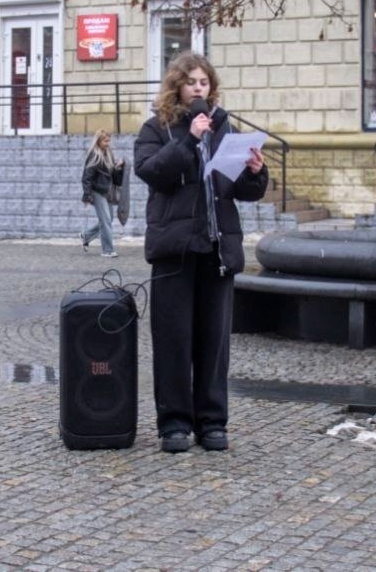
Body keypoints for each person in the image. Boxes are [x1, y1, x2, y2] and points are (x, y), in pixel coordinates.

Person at [134, 52, 268, 453]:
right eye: (191, 81)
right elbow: (150, 171)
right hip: (175, 251)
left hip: (217, 247)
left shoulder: (224, 127)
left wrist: (256, 172)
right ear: (177, 86)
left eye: (203, 82)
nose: (198, 88)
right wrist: (189, 140)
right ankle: (174, 424)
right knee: (174, 340)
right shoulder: (157, 128)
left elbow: (241, 190)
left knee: (214, 343)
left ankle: (212, 422)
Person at [79, 130, 124, 258]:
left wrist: (118, 167)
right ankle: (107, 250)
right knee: (105, 221)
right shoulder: (94, 155)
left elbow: (114, 177)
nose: (108, 143)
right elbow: (86, 177)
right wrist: (87, 195)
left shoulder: (108, 153)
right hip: (97, 192)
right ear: (98, 141)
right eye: (105, 141)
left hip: (107, 192)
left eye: (109, 140)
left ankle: (86, 236)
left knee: (108, 219)